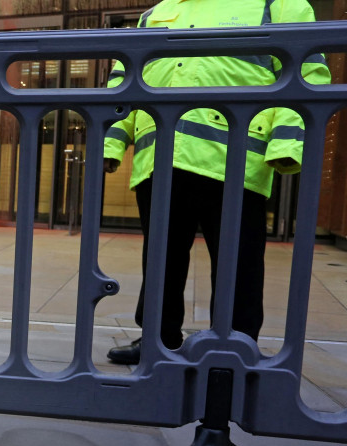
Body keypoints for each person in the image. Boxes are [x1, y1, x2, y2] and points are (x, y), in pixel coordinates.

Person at [103, 0, 331, 365]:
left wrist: (286, 143)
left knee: (237, 264)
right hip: (160, 157)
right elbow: (125, 80)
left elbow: (306, 73)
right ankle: (157, 340)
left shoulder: (279, 4)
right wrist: (111, 140)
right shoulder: (156, 12)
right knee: (161, 259)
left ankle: (234, 346)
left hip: (235, 159)